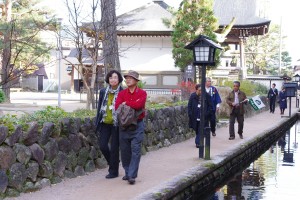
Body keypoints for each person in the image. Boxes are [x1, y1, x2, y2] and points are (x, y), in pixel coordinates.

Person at [115, 70, 147, 185]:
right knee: (125, 151)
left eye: (130, 78)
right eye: (126, 78)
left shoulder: (142, 93)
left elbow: (139, 105)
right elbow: (117, 106)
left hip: (137, 125)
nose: (127, 80)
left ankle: (132, 175)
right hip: (124, 126)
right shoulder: (122, 93)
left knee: (136, 150)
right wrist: (128, 104)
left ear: (136, 81)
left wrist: (126, 103)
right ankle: (128, 172)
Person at [95, 70, 123, 179]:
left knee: (115, 148)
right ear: (108, 79)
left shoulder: (122, 92)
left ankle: (113, 172)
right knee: (103, 146)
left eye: (115, 77)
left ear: (119, 79)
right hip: (105, 122)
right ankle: (113, 163)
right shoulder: (103, 91)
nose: (113, 79)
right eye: (111, 78)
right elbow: (99, 108)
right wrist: (97, 121)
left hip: (117, 124)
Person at [188, 84, 212, 148]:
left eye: (202, 90)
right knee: (197, 129)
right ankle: (199, 140)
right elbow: (189, 105)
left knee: (201, 129)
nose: (201, 92)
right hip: (195, 116)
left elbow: (210, 106)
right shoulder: (193, 96)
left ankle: (198, 142)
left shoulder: (207, 96)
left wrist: (207, 113)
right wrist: (190, 113)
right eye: (199, 90)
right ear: (196, 90)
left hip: (203, 117)